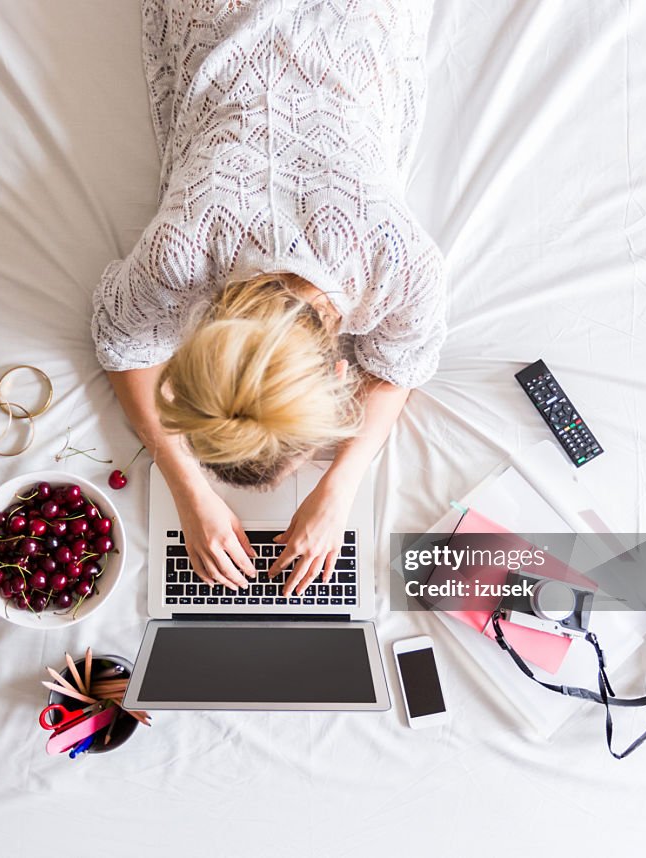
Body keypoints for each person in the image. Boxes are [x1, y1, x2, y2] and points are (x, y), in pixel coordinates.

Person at [92, 0, 446, 597]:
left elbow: (124, 345)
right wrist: (188, 488)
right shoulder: (182, 251)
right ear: (341, 374)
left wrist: (338, 488)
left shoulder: (400, 262)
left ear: (340, 374)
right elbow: (121, 346)